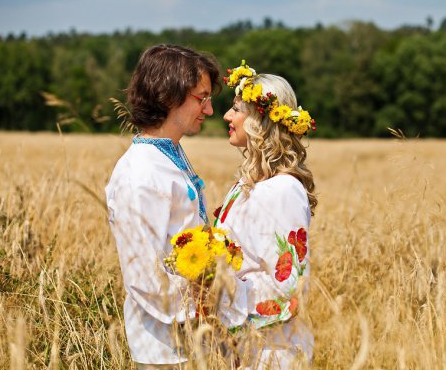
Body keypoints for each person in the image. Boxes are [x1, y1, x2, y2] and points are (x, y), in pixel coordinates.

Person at [105, 44, 222, 369]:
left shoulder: (168, 153)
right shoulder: (139, 173)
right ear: (169, 95)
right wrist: (198, 306)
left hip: (192, 339)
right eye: (202, 97)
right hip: (164, 346)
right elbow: (144, 275)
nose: (209, 110)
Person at [214, 60, 318, 369]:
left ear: (261, 120)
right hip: (245, 344)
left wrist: (220, 288)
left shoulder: (283, 189)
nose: (226, 116)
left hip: (273, 350)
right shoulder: (248, 184)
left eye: (236, 109)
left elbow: (287, 285)